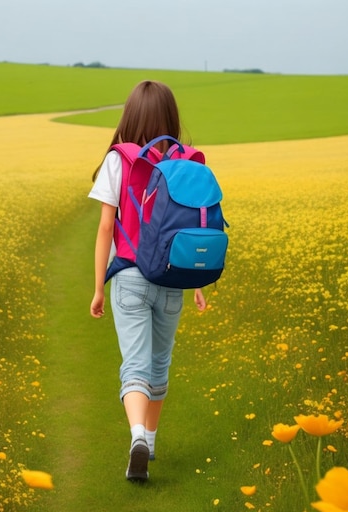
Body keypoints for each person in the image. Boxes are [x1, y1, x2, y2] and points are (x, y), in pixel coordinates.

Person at [89, 80, 206, 482]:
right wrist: (199, 285)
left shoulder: (118, 160)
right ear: (172, 118)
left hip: (130, 277)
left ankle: (137, 435)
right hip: (173, 279)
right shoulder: (189, 163)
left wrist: (98, 287)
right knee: (159, 363)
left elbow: (106, 228)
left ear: (131, 116)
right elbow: (195, 226)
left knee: (134, 364)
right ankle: (151, 442)